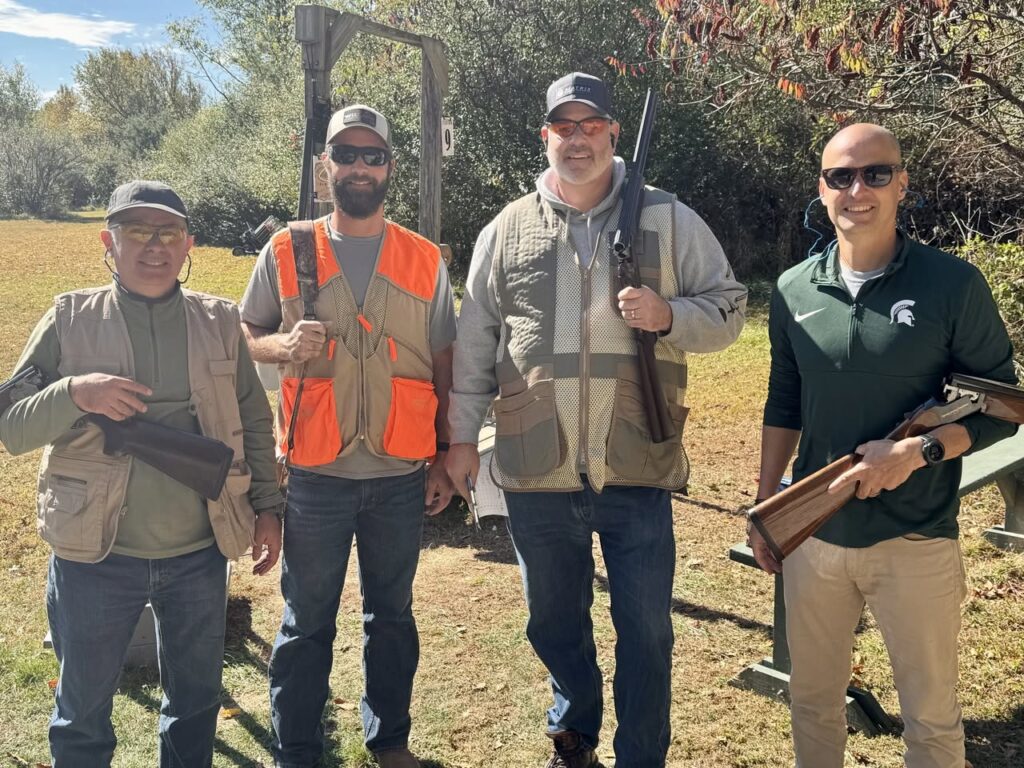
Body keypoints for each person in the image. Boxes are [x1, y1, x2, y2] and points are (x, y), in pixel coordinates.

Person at [446, 73, 747, 768]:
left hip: (636, 460)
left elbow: (730, 308)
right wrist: (460, 437)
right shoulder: (506, 228)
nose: (577, 139)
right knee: (552, 623)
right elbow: (475, 343)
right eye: (564, 126)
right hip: (535, 464)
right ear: (545, 136)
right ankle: (573, 734)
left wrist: (670, 315)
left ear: (613, 133)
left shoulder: (669, 219)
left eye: (590, 125)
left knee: (647, 632)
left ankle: (641, 756)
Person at [749, 123, 1018, 768]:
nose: (857, 190)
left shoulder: (953, 285)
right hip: (816, 535)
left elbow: (1005, 409)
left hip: (916, 537)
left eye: (875, 174)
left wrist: (917, 453)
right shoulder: (792, 288)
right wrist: (765, 507)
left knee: (930, 719)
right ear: (822, 190)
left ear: (902, 184)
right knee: (813, 702)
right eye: (840, 176)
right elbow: (784, 403)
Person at [0, 180, 284, 767]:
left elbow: (254, 420)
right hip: (95, 559)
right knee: (82, 713)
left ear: (189, 245)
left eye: (169, 232)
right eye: (137, 231)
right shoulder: (68, 318)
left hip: (198, 554)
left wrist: (268, 508)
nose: (154, 246)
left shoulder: (219, 320)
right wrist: (75, 392)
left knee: (195, 704)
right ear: (109, 242)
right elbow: (12, 427)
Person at [239, 104, 456, 768]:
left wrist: (446, 453)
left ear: (389, 167)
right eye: (346, 154)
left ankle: (389, 741)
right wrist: (281, 345)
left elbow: (444, 359)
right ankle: (298, 751)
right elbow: (246, 335)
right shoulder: (286, 250)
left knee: (392, 618)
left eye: (373, 156)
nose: (360, 167)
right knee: (306, 623)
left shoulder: (424, 257)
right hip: (314, 476)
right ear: (324, 165)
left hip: (400, 474)